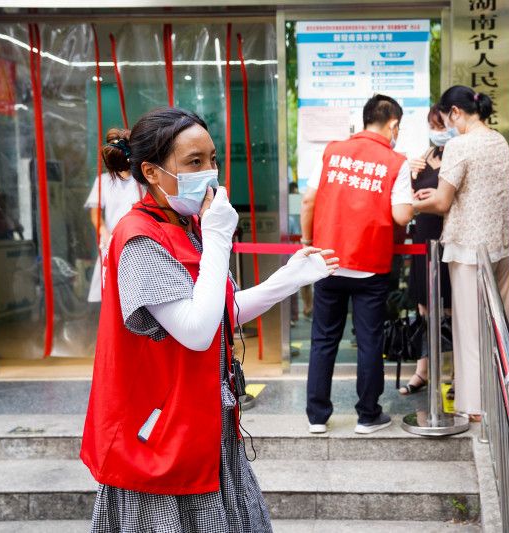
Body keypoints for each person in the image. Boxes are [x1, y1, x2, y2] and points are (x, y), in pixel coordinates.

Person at [81, 107, 338, 533]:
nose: (211, 172)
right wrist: (219, 235)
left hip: (206, 427)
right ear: (153, 171)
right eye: (194, 162)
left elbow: (220, 312)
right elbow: (198, 332)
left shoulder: (188, 226)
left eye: (213, 159)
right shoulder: (139, 238)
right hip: (159, 439)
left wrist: (288, 280)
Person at [301, 94, 414, 435]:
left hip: (328, 261)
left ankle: (317, 417)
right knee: (369, 341)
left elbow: (309, 200)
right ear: (393, 124)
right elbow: (402, 214)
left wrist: (308, 243)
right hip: (370, 265)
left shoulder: (332, 151)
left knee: (323, 339)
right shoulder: (396, 161)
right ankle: (368, 415)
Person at [413, 85, 509, 422]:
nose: (447, 127)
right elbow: (475, 191)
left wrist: (413, 205)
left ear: (455, 112)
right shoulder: (498, 140)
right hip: (499, 245)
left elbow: (442, 202)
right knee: (503, 325)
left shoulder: (459, 144)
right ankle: (507, 393)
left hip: (468, 248)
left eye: (446, 119)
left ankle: (474, 405)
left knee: (469, 331)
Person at [400, 105, 455, 396]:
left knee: (451, 310)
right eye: (433, 125)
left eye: (441, 124)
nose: (438, 131)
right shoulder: (424, 157)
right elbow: (405, 200)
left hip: (449, 239)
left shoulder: (459, 155)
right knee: (423, 308)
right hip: (423, 239)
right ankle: (422, 370)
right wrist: (408, 175)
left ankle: (457, 374)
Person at [84, 128, 144, 303]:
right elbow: (95, 211)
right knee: (111, 295)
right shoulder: (103, 181)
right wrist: (104, 233)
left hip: (137, 242)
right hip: (111, 242)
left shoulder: (143, 180)